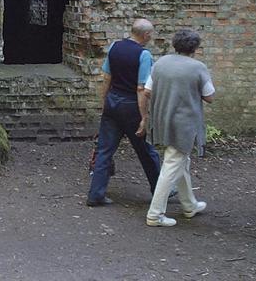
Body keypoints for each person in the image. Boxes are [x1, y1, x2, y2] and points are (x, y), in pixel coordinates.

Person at [86, 18, 162, 207]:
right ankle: (160, 191)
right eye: (150, 34)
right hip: (131, 106)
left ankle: (95, 194)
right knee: (146, 150)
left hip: (113, 101)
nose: (151, 37)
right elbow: (141, 88)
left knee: (104, 150)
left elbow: (107, 77)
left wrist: (105, 102)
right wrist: (144, 117)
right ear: (145, 35)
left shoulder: (114, 47)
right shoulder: (144, 55)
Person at [145, 28, 214, 226]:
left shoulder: (161, 63)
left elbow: (148, 90)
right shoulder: (198, 67)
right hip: (184, 123)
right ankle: (155, 214)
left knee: (180, 161)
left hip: (162, 119)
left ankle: (189, 205)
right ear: (195, 47)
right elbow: (210, 97)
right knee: (172, 165)